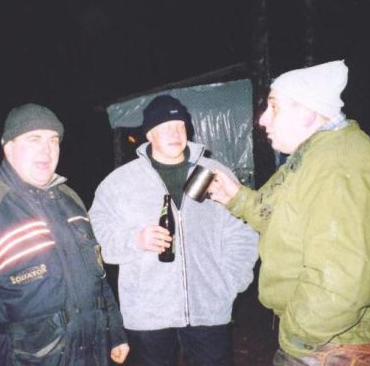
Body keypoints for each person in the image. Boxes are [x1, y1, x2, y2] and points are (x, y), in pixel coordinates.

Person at [208, 60, 370, 366]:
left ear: (308, 112)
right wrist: (237, 199)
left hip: (334, 345)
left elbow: (340, 285)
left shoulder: (342, 168)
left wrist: (298, 337)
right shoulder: (317, 155)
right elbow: (288, 217)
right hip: (328, 339)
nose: (263, 119)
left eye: (274, 107)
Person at [0, 103, 129, 366]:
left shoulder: (71, 200)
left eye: (53, 140)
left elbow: (97, 276)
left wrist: (115, 332)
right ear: (8, 147)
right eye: (34, 139)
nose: (47, 150)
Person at [89, 95, 259, 366]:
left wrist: (230, 282)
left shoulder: (215, 173)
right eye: (165, 127)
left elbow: (243, 229)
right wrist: (134, 240)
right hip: (148, 314)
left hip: (209, 307)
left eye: (180, 126)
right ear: (149, 134)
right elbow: (95, 234)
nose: (175, 133)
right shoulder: (120, 182)